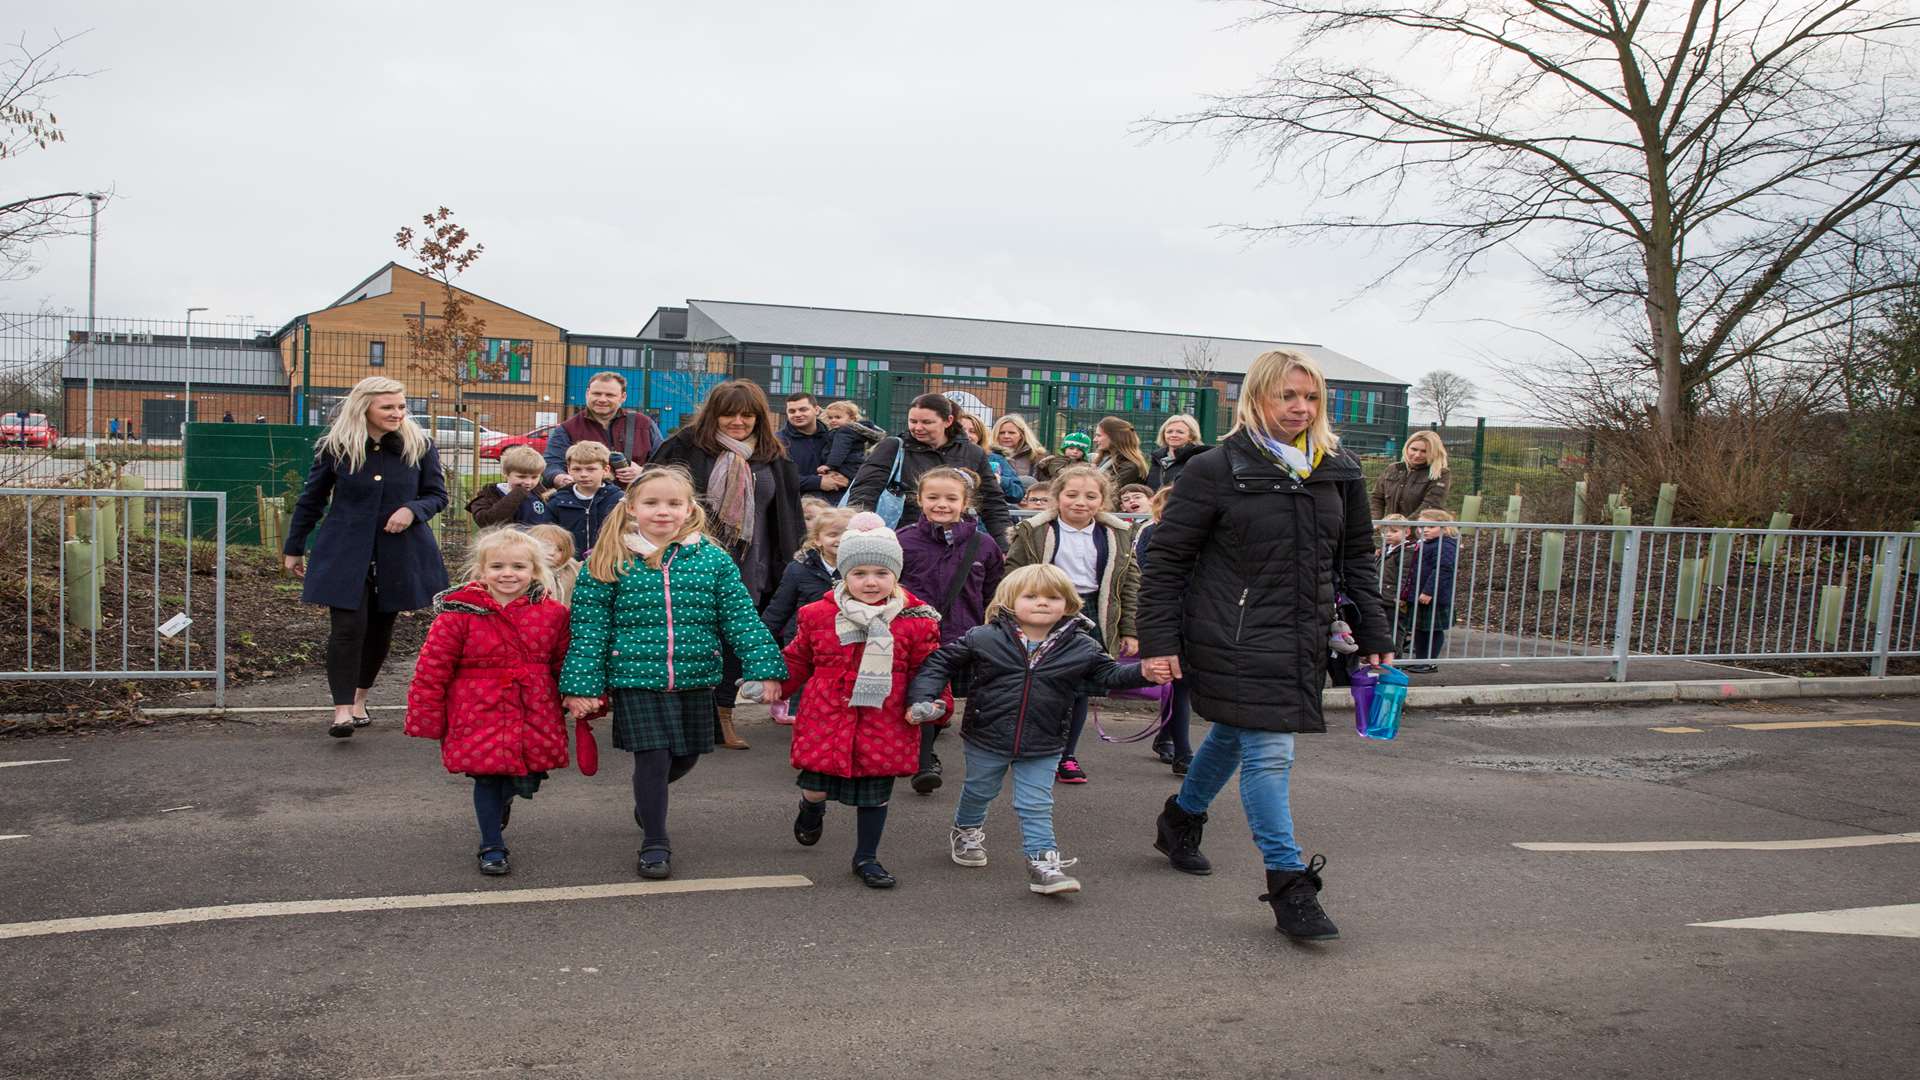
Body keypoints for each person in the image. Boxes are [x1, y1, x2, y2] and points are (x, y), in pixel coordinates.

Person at [1138, 349, 1393, 942]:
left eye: (1310, 397)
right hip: (1231, 635)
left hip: (1304, 636)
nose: (1300, 408)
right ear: (1256, 398)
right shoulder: (1213, 469)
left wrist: (1374, 631)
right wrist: (1158, 639)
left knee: (1235, 733)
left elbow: (1356, 555)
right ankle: (1288, 882)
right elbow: (1167, 560)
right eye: (1287, 396)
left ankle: (1181, 819)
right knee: (1270, 752)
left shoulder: (1341, 467)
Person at [559, 466, 788, 880]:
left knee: (686, 756)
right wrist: (582, 686)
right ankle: (655, 843)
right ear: (632, 508)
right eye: (651, 503)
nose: (662, 512)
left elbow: (740, 618)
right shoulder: (610, 559)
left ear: (688, 509)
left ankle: (648, 801)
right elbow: (588, 628)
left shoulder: (712, 559)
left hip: (696, 676)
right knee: (653, 758)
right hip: (635, 678)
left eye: (672, 504)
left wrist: (765, 669)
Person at [908, 565, 1165, 896]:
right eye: (1031, 596)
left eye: (1052, 597)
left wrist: (1146, 673)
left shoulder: (1082, 646)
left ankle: (1044, 865)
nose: (1042, 603)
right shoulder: (984, 637)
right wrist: (923, 697)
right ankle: (966, 830)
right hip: (987, 734)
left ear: (1069, 604)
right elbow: (940, 662)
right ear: (1010, 601)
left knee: (1036, 803)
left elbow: (1111, 675)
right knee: (979, 790)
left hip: (1044, 739)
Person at [741, 513, 952, 890]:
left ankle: (867, 857)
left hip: (885, 717)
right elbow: (797, 659)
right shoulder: (817, 614)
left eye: (881, 573)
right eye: (859, 573)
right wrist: (773, 681)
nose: (871, 582)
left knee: (875, 795)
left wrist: (935, 703)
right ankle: (811, 806)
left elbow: (930, 669)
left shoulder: (916, 620)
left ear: (896, 575)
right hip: (827, 715)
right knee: (816, 784)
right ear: (843, 573)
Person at [284, 376, 449, 738]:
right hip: (345, 551)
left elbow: (437, 495)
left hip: (398, 553)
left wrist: (412, 510)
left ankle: (360, 700)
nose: (398, 413)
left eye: (402, 406)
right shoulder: (336, 447)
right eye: (387, 407)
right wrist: (294, 546)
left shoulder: (419, 445)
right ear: (365, 408)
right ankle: (341, 710)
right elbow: (312, 499)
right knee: (347, 628)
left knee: (379, 629)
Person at [404, 528, 571, 876]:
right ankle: (492, 845)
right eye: (497, 566)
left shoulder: (553, 613)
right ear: (482, 571)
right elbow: (433, 667)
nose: (507, 574)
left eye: (518, 567)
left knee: (523, 778)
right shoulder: (459, 614)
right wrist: (426, 713)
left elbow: (562, 661)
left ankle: (503, 804)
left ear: (535, 571)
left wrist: (578, 696)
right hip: (477, 709)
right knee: (486, 778)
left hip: (533, 708)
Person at [652, 379, 806, 750]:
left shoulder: (774, 455)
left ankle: (722, 716)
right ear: (713, 414)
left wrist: (793, 558)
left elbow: (789, 514)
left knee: (737, 642)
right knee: (692, 640)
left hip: (753, 564)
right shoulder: (684, 447)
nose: (738, 421)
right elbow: (650, 495)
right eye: (729, 414)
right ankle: (679, 718)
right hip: (690, 561)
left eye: (747, 415)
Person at [1004, 464, 1140, 784]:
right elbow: (1013, 574)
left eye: (1091, 496)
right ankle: (1032, 748)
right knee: (1038, 684)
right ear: (1057, 497)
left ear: (1103, 501)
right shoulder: (1036, 530)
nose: (1081, 502)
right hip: (1046, 610)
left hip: (1094, 612)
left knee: (1079, 690)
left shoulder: (1116, 533)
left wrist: (1130, 630)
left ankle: (1067, 755)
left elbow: (1131, 583)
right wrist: (1013, 619)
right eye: (1072, 494)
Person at [898, 467, 1006, 794]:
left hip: (963, 634)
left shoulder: (983, 545)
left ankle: (982, 752)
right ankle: (924, 760)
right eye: (932, 497)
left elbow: (993, 592)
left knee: (964, 698)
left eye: (950, 498)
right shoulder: (903, 540)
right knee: (922, 692)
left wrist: (993, 628)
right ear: (919, 500)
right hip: (914, 634)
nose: (941, 504)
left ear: (965, 502)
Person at [846, 393, 1011, 542]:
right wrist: (861, 530)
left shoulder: (973, 453)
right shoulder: (893, 447)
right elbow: (865, 491)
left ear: (948, 421)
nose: (918, 428)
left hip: (955, 540)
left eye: (927, 422)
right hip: (901, 538)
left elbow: (992, 502)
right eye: (913, 421)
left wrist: (1005, 544)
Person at [1136, 486, 1194, 774]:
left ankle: (1167, 737)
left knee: (1182, 684)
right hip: (1168, 615)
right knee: (1178, 682)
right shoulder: (1151, 533)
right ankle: (1183, 752)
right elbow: (1151, 579)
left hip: (1196, 616)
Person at [543, 371, 664, 490]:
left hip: (637, 498)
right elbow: (551, 465)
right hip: (588, 501)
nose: (602, 399)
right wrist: (561, 478)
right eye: (596, 393)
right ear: (587, 394)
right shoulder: (567, 429)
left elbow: (667, 463)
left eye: (609, 395)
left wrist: (643, 473)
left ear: (623, 397)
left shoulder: (644, 424)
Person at [1401, 509, 1460, 674]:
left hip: (1433, 596)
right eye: (1422, 526)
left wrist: (1429, 591)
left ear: (1444, 527)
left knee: (1433, 629)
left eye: (1431, 526)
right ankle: (1420, 660)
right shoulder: (1425, 543)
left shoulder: (1446, 544)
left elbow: (1444, 569)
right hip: (1418, 593)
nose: (1425, 529)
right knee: (1419, 629)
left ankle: (1430, 662)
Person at [548, 441, 624, 558]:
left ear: (606, 470)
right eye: (577, 469)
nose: (583, 474)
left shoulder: (619, 500)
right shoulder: (557, 501)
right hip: (569, 564)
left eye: (591, 469)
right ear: (568, 469)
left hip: (608, 562)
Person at [466, 445, 556, 528]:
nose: (528, 482)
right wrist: (517, 494)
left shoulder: (541, 494)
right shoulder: (489, 497)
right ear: (506, 474)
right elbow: (487, 522)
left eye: (534, 477)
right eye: (521, 476)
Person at [1370, 430, 1451, 519]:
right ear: (1407, 447)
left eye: (1424, 451)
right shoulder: (1393, 468)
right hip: (1391, 529)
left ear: (1434, 452)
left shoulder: (1441, 473)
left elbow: (1431, 504)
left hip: (1421, 530)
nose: (1417, 455)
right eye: (1414, 449)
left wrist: (1405, 527)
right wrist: (1376, 521)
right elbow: (1377, 498)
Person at [776, 392, 839, 496]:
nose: (797, 414)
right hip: (794, 505)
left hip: (833, 504)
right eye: (792, 411)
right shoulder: (778, 441)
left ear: (817, 410)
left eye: (803, 409)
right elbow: (778, 478)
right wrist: (818, 482)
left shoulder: (833, 437)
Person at [958, 412, 1026, 506]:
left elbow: (1017, 493)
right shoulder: (941, 454)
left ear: (980, 436)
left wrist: (1000, 480)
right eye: (962, 430)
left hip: (984, 516)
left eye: (972, 431)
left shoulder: (995, 459)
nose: (966, 435)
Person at [819, 401, 886, 491]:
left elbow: (839, 450)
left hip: (848, 466)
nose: (833, 420)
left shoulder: (844, 432)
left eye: (838, 417)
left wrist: (830, 465)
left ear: (852, 419)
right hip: (854, 465)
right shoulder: (852, 431)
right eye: (830, 418)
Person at [1092, 416, 1149, 501]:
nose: (1094, 439)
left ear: (1114, 437)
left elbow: (1109, 494)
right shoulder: (1105, 459)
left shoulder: (1129, 467)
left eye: (1098, 435)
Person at [1145, 414, 1208, 490]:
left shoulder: (1198, 459)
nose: (1173, 435)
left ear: (1191, 436)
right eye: (1169, 432)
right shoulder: (1157, 459)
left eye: (1180, 432)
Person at [527, 523, 583, 608]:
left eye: (560, 549)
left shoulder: (572, 568)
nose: (552, 552)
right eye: (545, 546)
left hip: (566, 618)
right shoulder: (526, 572)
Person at [990, 415, 1047, 480]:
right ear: (996, 434)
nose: (1006, 436)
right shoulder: (988, 454)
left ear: (1021, 435)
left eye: (1011, 433)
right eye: (1002, 433)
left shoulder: (1036, 456)